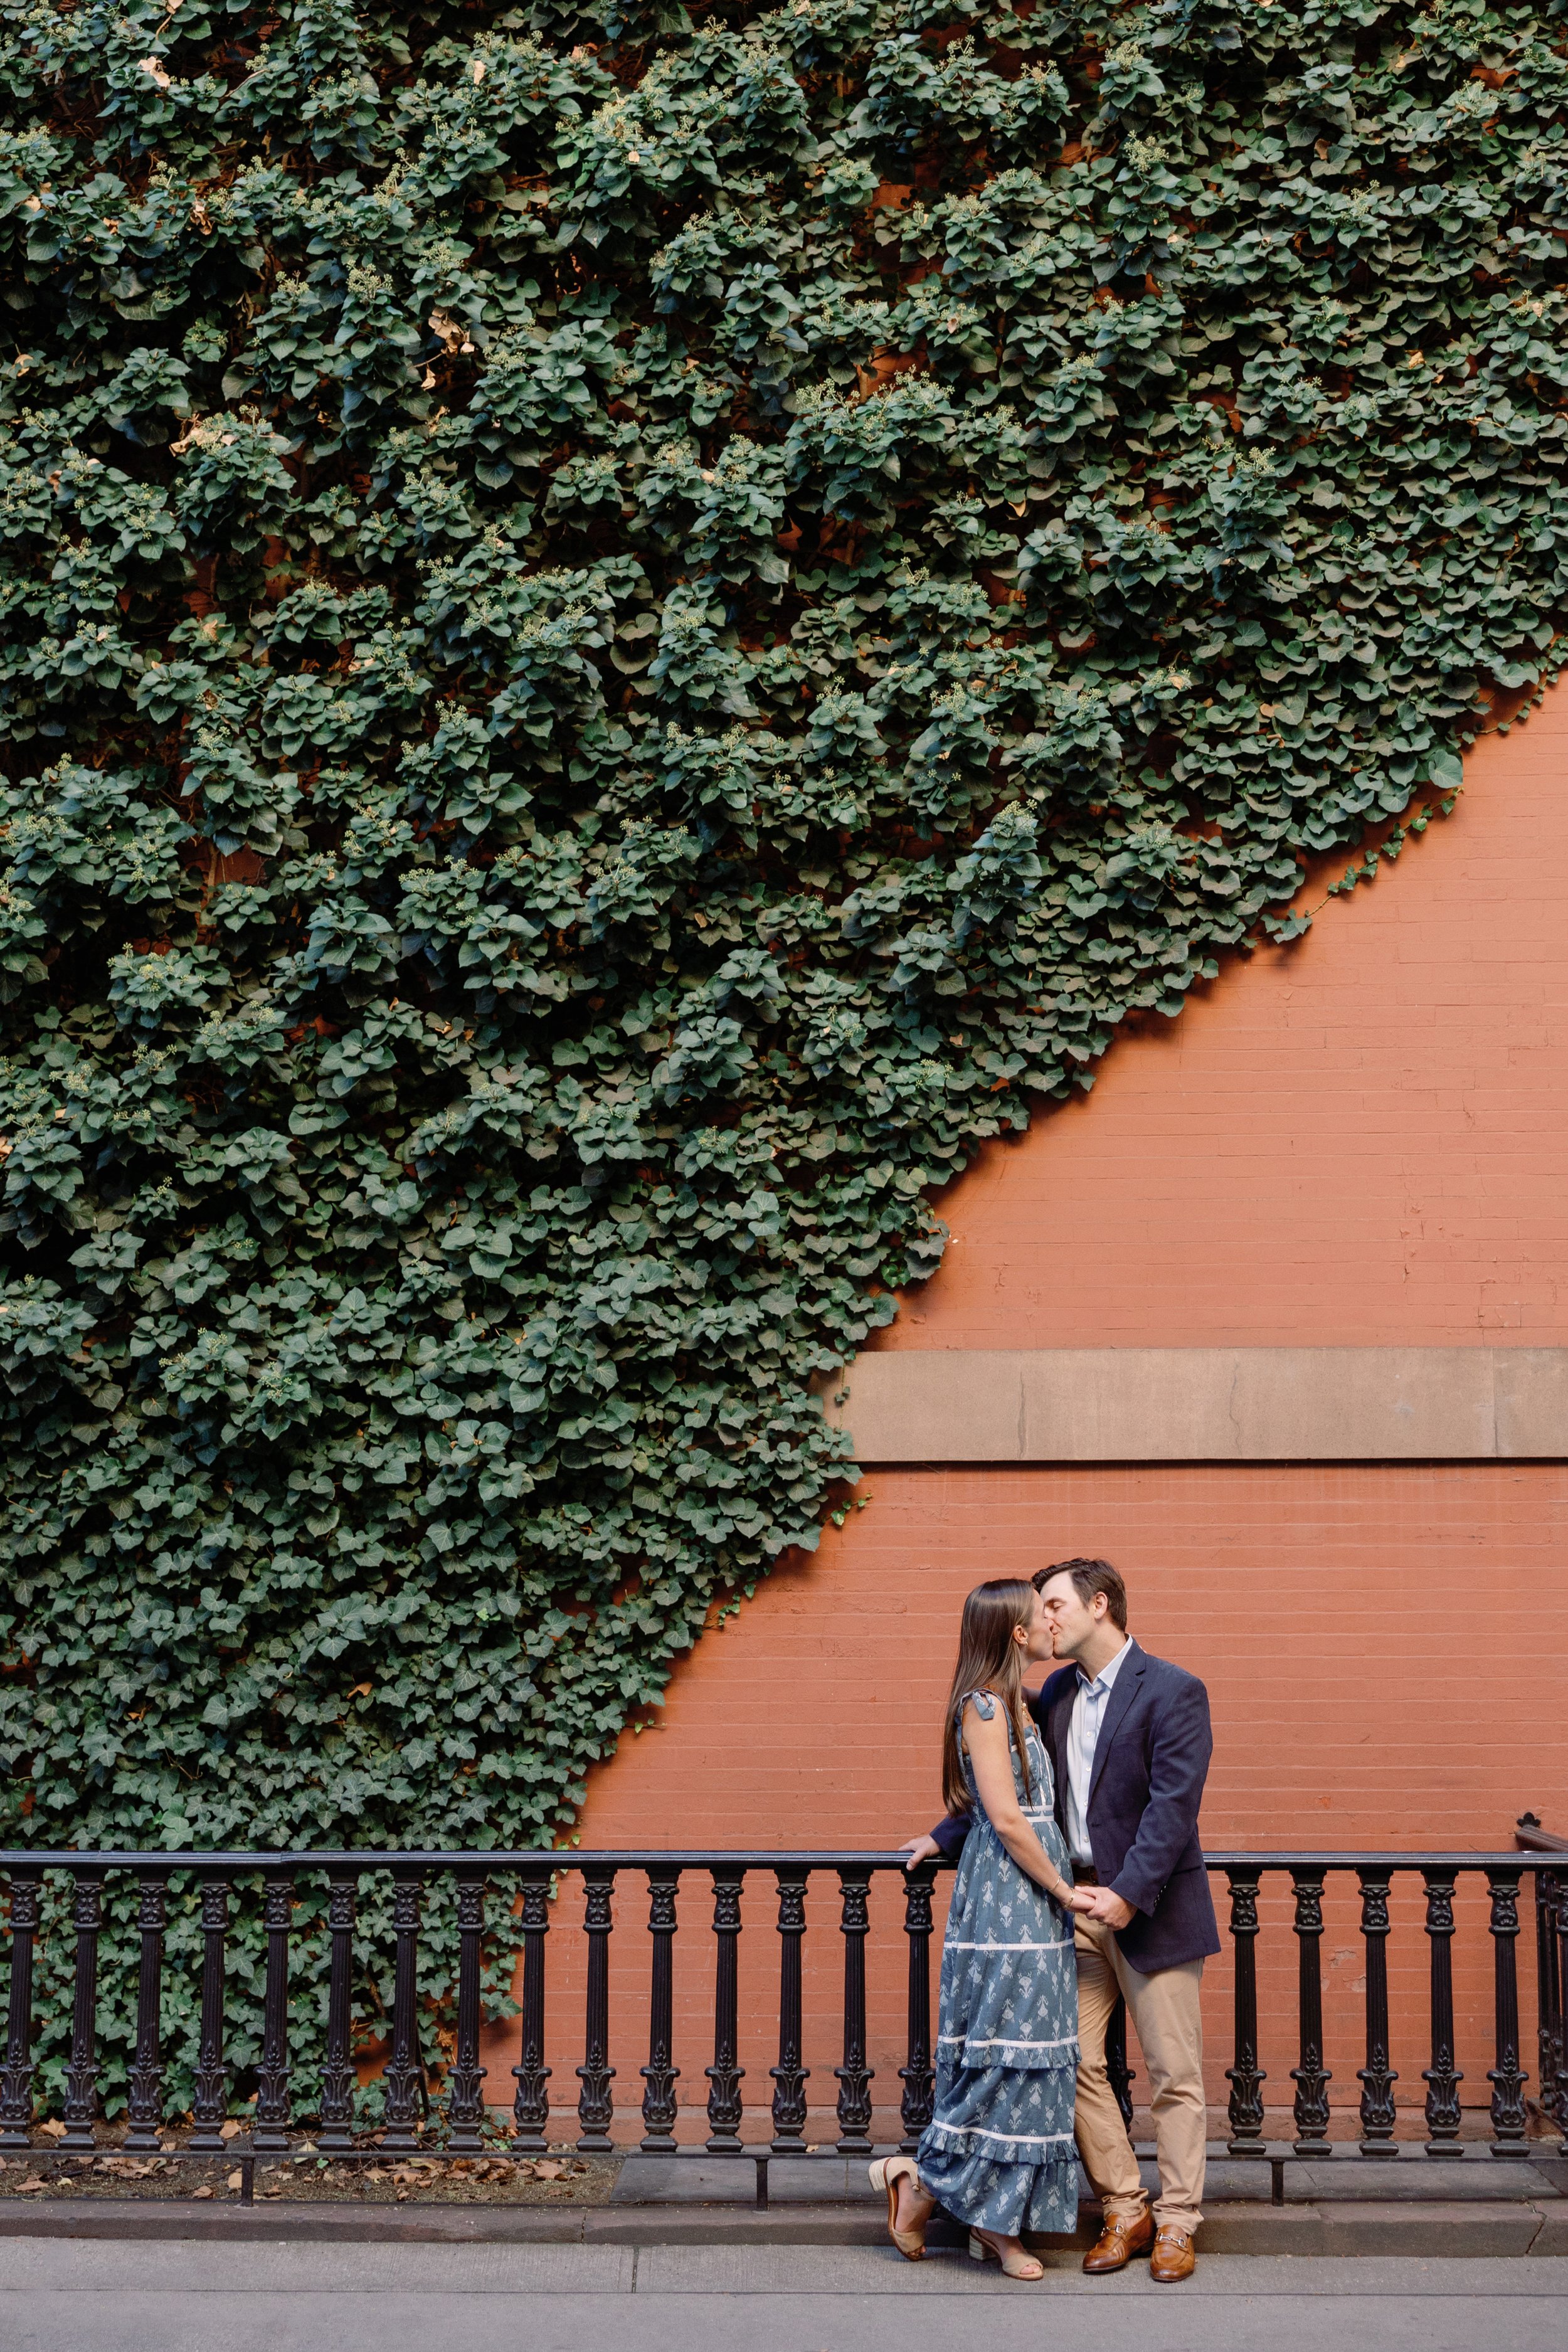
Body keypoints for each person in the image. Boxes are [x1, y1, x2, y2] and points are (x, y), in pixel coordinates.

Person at [902, 1559, 1219, 2286]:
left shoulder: (1173, 1690)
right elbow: (1013, 1790)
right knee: (1068, 2062)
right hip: (1070, 1908)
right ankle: (1125, 2206)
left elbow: (1173, 1808)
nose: (1041, 1618)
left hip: (1151, 1908)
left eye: (1052, 1604)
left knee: (1173, 2074)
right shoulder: (1055, 1695)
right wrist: (943, 1838)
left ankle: (1176, 2221)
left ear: (1097, 1605)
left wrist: (1127, 1895)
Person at [869, 1578, 1092, 2280]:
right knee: (1001, 2057)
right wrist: (1065, 1890)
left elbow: (990, 1809)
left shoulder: (1024, 1703)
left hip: (1035, 1905)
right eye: (1041, 1614)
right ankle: (975, 2215)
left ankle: (940, 2195)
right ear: (1019, 1634)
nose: (1053, 1622)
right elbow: (1003, 1818)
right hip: (1010, 1902)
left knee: (1036, 2062)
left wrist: (940, 1837)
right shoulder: (985, 1707)